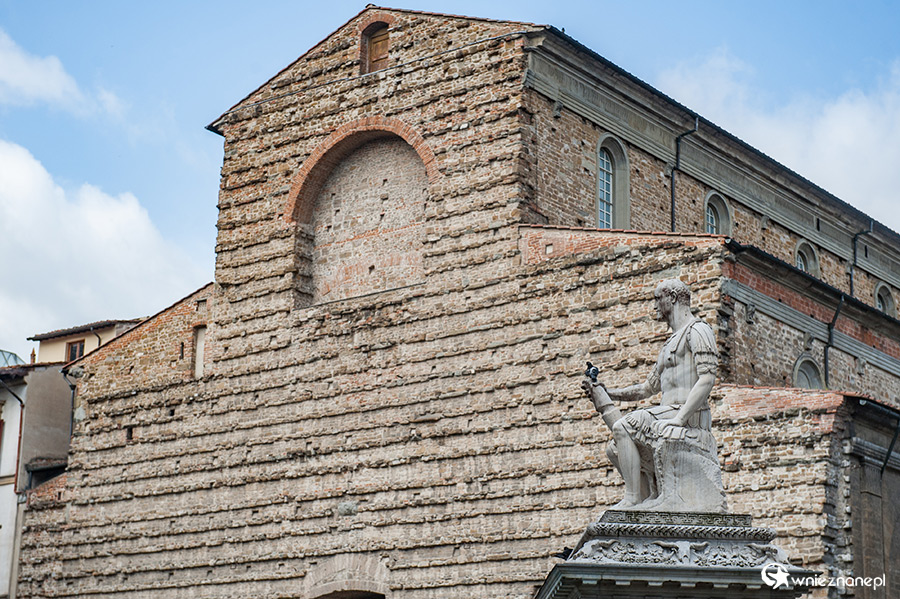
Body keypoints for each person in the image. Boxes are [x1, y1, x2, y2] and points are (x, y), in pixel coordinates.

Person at [582, 279, 719, 510]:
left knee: (622, 427)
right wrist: (607, 392)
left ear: (673, 298)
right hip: (668, 413)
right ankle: (645, 501)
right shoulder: (668, 344)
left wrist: (679, 419)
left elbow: (707, 378)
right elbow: (647, 388)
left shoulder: (698, 330)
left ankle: (631, 498)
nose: (654, 305)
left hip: (689, 417)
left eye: (658, 298)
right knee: (614, 448)